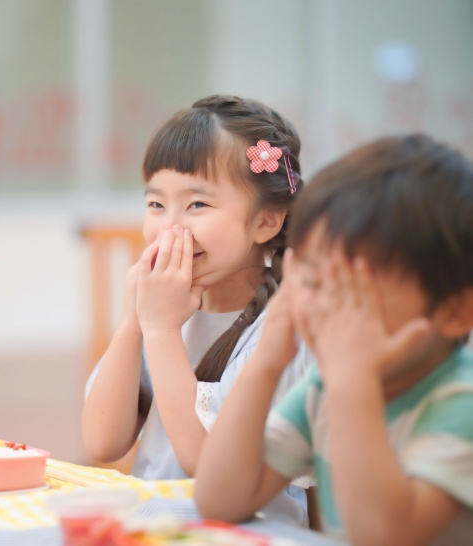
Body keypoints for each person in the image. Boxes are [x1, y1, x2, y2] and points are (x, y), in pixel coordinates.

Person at [195, 134, 473, 544]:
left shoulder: (459, 402)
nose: (327, 307)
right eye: (314, 281)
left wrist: (352, 380)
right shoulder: (323, 390)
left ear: (453, 313)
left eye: (355, 293)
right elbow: (220, 498)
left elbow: (381, 535)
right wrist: (267, 361)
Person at [82, 95, 313, 525]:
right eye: (155, 204)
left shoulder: (281, 330)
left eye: (197, 205)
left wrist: (161, 329)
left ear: (266, 221)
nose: (170, 227)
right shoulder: (163, 313)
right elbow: (103, 441)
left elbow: (208, 465)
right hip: (153, 527)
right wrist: (135, 322)